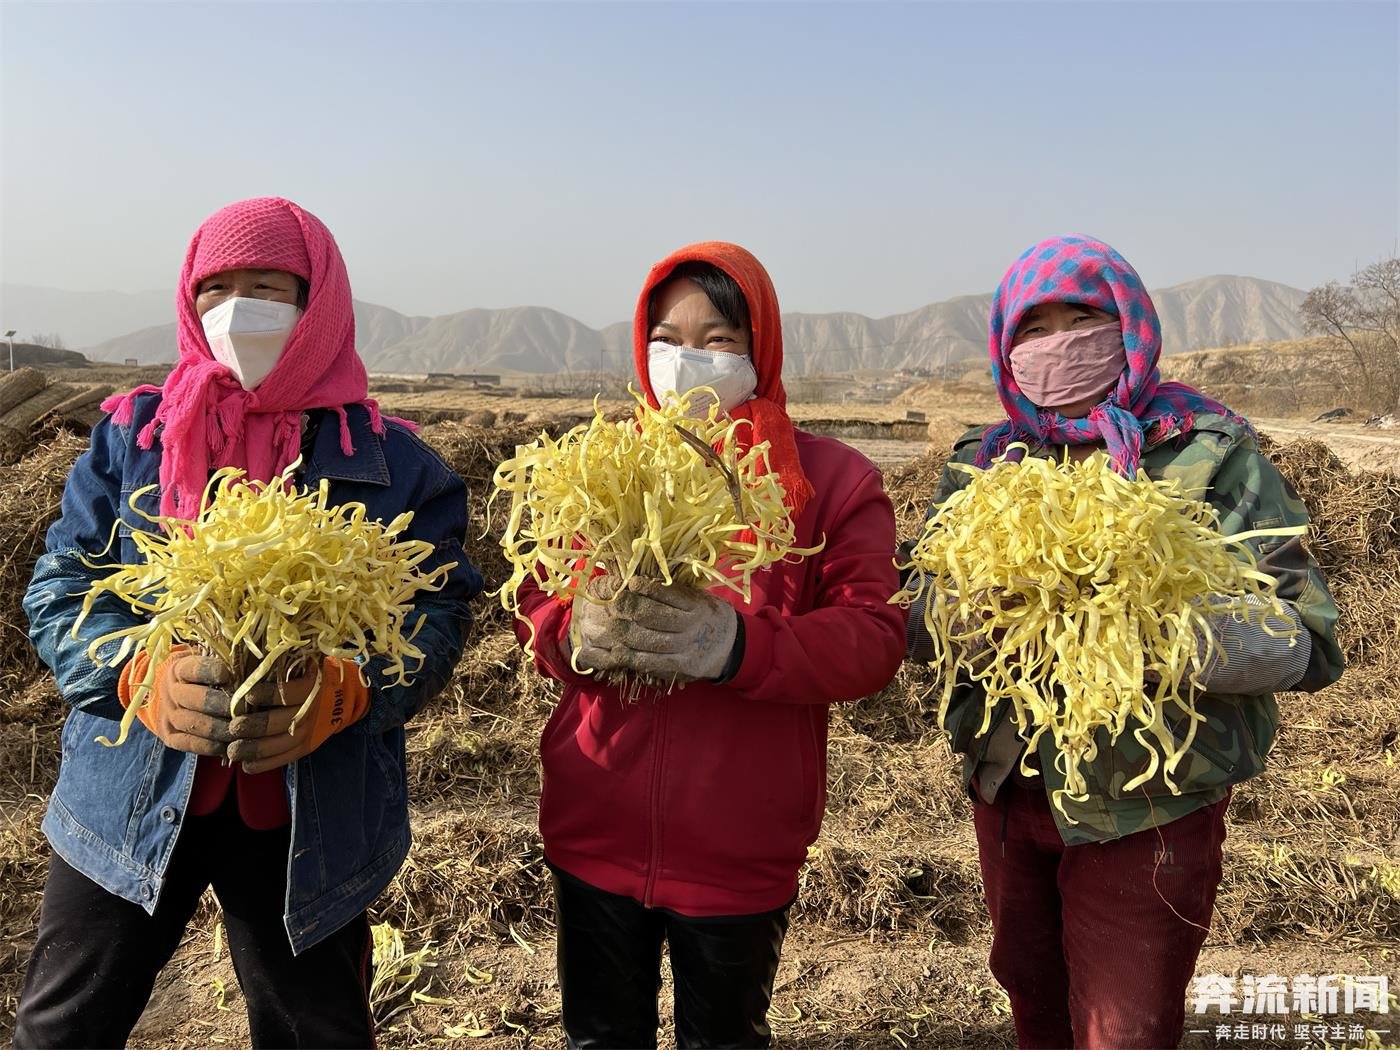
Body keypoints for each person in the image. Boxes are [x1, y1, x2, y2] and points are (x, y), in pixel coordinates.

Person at [16, 197, 482, 1048]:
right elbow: (62, 584)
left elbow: (440, 609)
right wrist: (135, 673)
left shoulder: (396, 464)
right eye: (216, 289)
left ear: (317, 304)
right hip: (128, 797)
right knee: (63, 1028)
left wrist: (348, 691)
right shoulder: (133, 439)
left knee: (315, 1031)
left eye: (268, 288)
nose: (238, 310)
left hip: (312, 816)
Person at [902, 234, 1344, 1050]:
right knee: (1033, 1001)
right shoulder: (985, 463)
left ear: (1128, 325)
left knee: (1125, 1028)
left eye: (1083, 320)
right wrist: (967, 613)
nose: (1059, 344)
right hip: (1010, 791)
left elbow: (1306, 637)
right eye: (1035, 328)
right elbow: (914, 609)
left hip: (1150, 807)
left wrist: (1156, 628)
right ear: (1004, 345)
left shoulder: (1208, 455)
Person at [512, 242, 906, 1048]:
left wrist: (737, 645)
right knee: (599, 1038)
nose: (687, 359)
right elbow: (535, 600)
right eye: (666, 338)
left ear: (761, 349)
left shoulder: (830, 481)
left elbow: (872, 638)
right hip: (594, 823)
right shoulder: (601, 470)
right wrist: (567, 630)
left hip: (739, 845)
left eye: (718, 339)